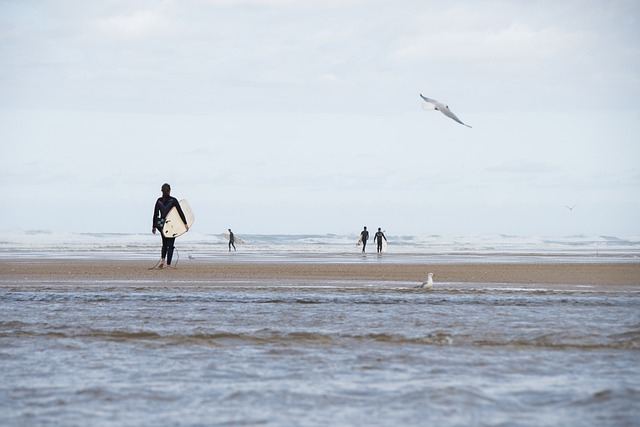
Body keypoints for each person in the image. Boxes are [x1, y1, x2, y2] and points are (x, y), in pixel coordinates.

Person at [152, 183, 189, 269]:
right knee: (171, 245)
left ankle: (162, 260)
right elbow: (180, 212)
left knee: (164, 244)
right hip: (172, 225)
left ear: (161, 191)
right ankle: (168, 265)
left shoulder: (159, 201)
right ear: (170, 190)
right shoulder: (173, 200)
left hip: (162, 224)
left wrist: (154, 226)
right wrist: (185, 224)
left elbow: (155, 214)